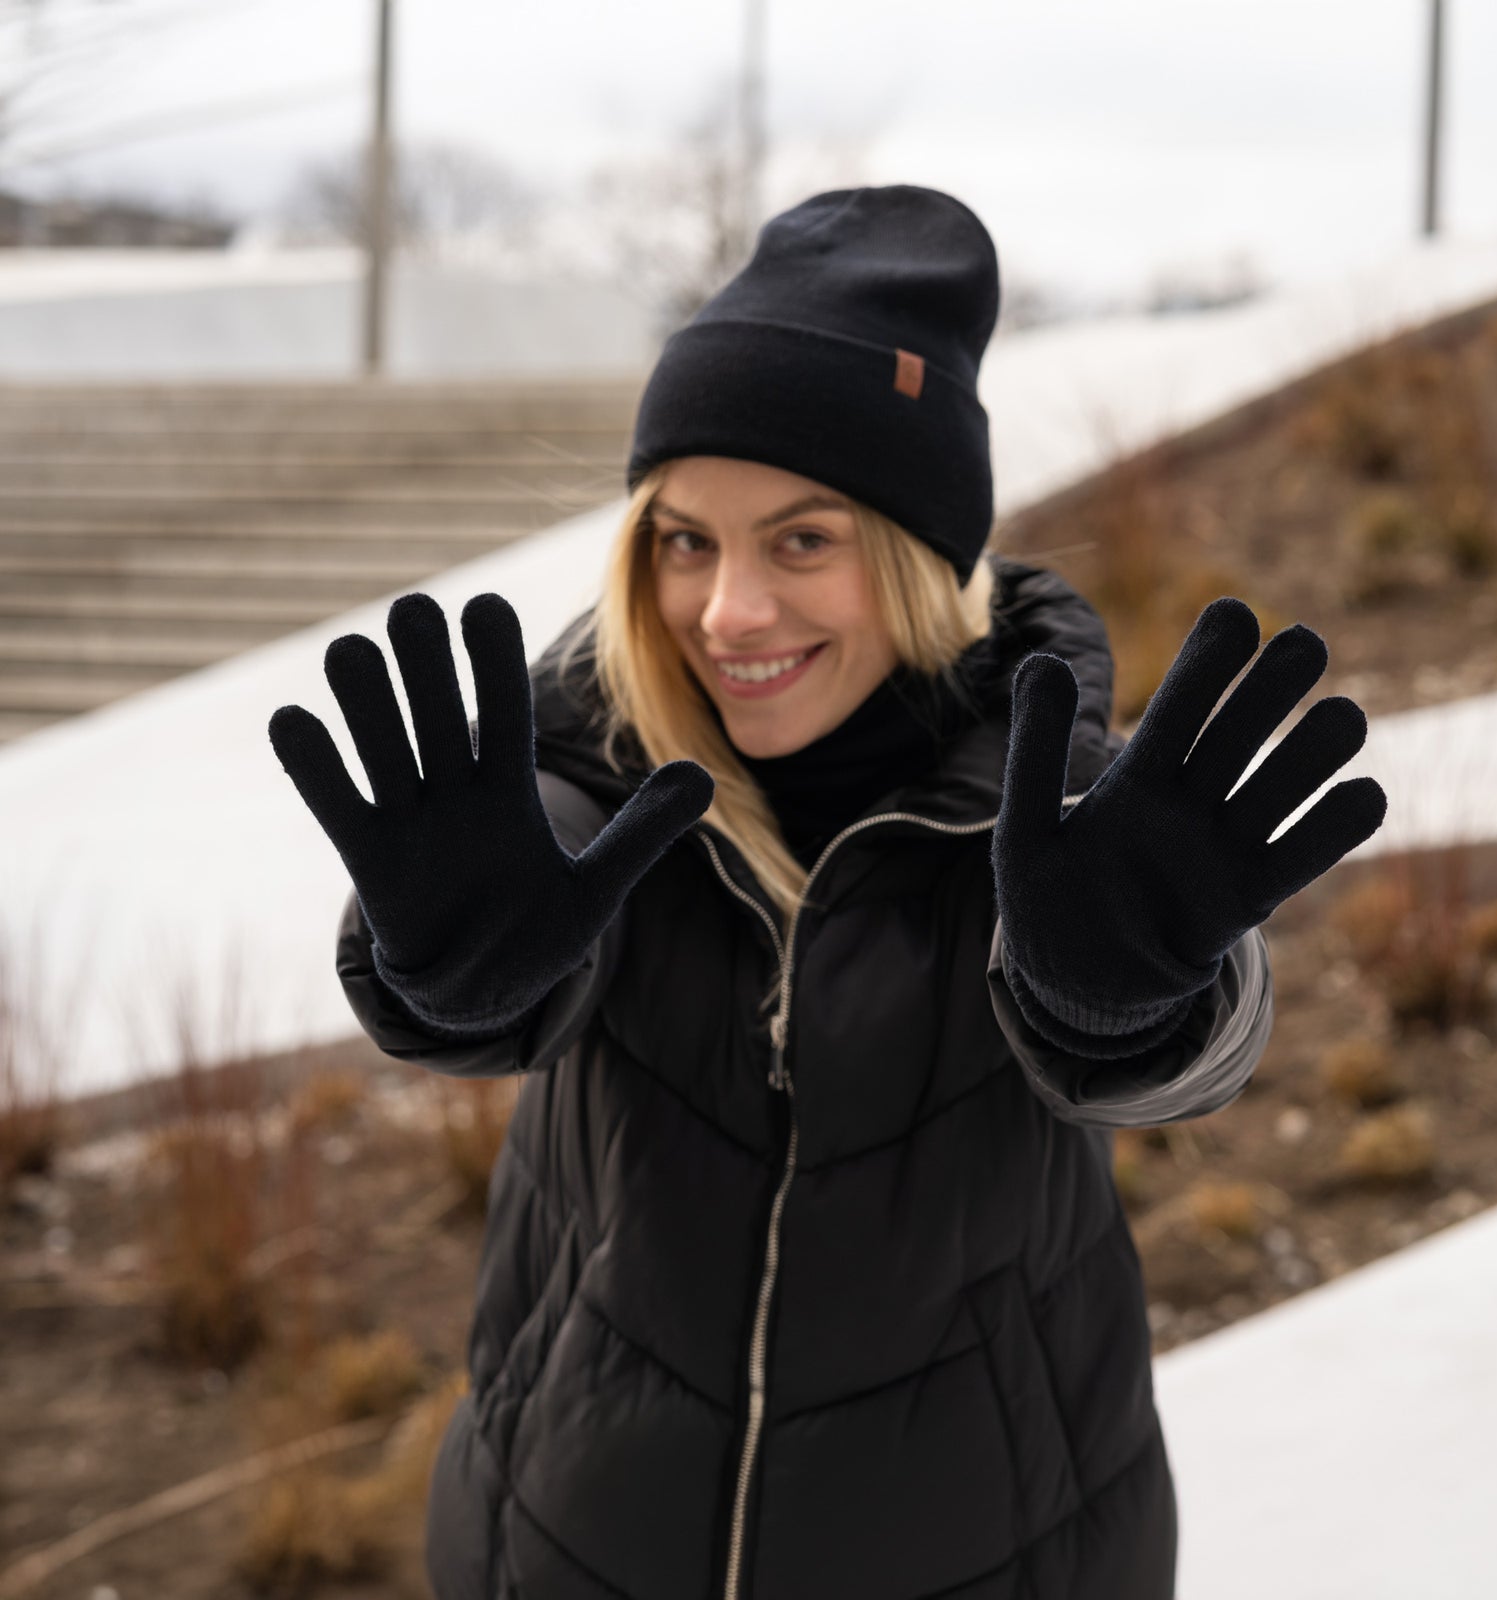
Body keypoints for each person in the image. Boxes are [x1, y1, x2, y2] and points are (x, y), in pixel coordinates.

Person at [268, 186, 1386, 1600]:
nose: (727, 612)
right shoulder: (592, 773)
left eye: (802, 540)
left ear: (920, 561)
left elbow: (1193, 1031)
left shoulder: (1061, 823)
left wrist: (1127, 1006)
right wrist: (436, 969)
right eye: (685, 539)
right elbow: (519, 918)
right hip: (568, 1545)